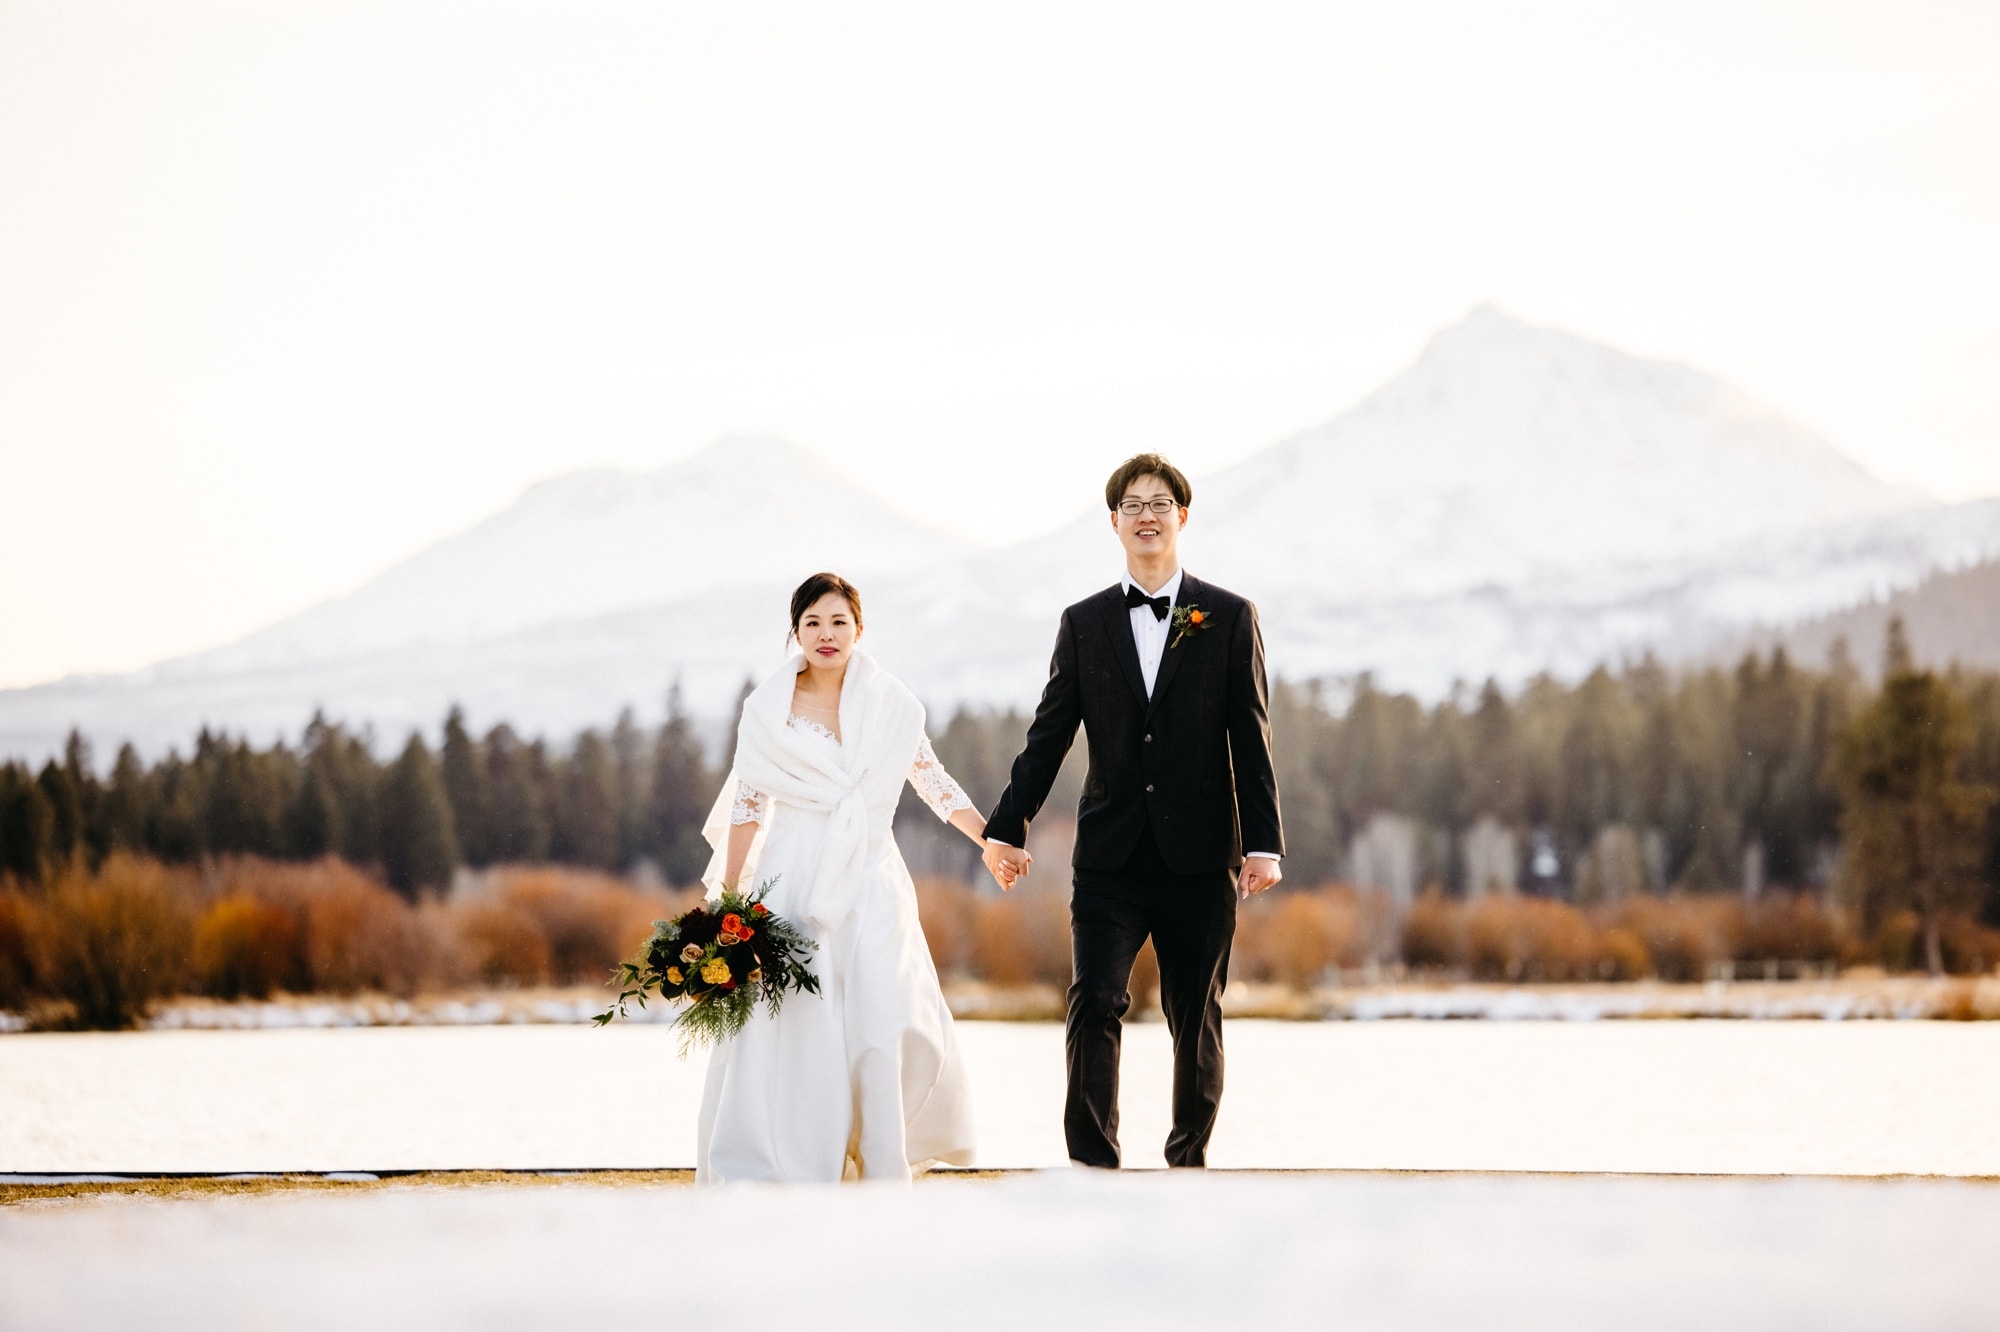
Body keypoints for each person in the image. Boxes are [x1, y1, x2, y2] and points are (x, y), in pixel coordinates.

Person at [982, 454, 1284, 1169]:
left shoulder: (1230, 616)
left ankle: (1188, 1160)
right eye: (1132, 505)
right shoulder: (1084, 623)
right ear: (1113, 521)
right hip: (1112, 856)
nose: (1146, 515)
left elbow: (1253, 733)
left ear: (1183, 516)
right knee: (1094, 999)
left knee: (1195, 1015)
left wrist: (1264, 843)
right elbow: (1049, 733)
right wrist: (1006, 826)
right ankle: (1093, 1162)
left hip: (1201, 853)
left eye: (1160, 503)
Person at [694, 572, 994, 1184]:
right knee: (798, 1015)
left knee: (885, 1011)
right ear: (795, 632)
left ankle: (879, 1150)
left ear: (860, 628)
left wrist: (989, 842)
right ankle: (792, 1155)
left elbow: (932, 782)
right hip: (793, 875)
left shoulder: (892, 704)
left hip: (871, 874)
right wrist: (729, 896)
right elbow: (749, 807)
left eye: (839, 622)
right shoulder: (766, 709)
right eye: (812, 623)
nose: (826, 635)